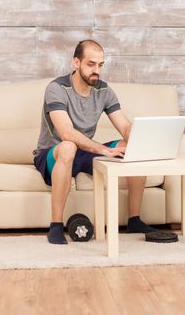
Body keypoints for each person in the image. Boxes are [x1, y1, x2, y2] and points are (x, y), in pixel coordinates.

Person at [33, 40, 156, 244]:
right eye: (91, 64)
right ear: (76, 62)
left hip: (83, 150)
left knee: (130, 145)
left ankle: (134, 219)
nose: (96, 70)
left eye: (100, 65)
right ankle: (55, 226)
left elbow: (124, 127)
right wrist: (101, 149)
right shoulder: (57, 88)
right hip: (53, 153)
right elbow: (67, 133)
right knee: (68, 147)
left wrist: (141, 140)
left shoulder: (104, 90)